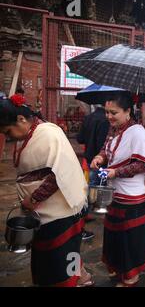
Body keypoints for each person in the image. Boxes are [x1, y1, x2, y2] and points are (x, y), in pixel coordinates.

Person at [0, 95, 92, 287]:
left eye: (8, 131)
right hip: (44, 213)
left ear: (21, 119)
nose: (8, 137)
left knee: (61, 260)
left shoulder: (49, 134)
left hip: (61, 213)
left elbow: (59, 174)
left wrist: (32, 199)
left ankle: (73, 280)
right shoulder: (30, 134)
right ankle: (81, 277)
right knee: (66, 253)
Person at [91, 93, 145, 287]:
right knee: (114, 234)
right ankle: (118, 267)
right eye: (107, 112)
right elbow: (106, 147)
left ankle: (131, 275)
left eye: (114, 112)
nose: (109, 116)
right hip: (115, 191)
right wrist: (100, 157)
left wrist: (115, 172)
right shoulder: (114, 129)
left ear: (128, 112)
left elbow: (142, 165)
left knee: (129, 238)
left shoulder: (138, 133)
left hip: (133, 196)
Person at [77, 104, 110, 240]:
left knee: (89, 185)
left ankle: (86, 212)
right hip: (100, 161)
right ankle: (90, 211)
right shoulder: (105, 120)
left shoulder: (88, 118)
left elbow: (80, 138)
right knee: (99, 185)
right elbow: (103, 144)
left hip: (89, 158)